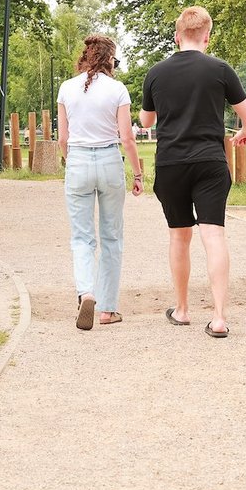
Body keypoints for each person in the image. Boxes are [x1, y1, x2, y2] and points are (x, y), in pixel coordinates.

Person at [140, 6, 246, 339]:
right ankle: (219, 317)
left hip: (171, 163)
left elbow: (146, 121)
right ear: (207, 36)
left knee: (179, 236)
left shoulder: (156, 73)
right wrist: (245, 133)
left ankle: (182, 309)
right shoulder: (220, 69)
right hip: (210, 162)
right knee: (214, 235)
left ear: (177, 36)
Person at [57, 34, 143, 331]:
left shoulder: (66, 88)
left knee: (82, 238)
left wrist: (71, 162)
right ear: (109, 60)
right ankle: (107, 308)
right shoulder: (117, 89)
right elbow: (127, 138)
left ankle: (86, 292)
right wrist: (137, 174)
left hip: (78, 160)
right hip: (108, 160)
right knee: (112, 237)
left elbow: (63, 138)